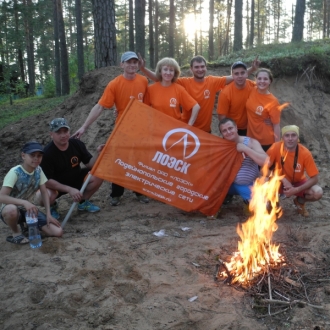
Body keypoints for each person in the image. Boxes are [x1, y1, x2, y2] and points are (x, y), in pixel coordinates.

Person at [72, 51, 149, 207]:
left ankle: (139, 192)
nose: (132, 65)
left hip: (141, 130)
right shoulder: (114, 84)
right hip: (122, 130)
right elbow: (100, 106)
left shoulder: (144, 81)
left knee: (139, 162)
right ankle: (116, 194)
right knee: (119, 162)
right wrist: (84, 126)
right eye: (129, 62)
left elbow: (148, 104)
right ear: (122, 65)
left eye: (135, 62)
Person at [140, 55, 260, 133]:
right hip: (186, 128)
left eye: (202, 66)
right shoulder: (183, 82)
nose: (200, 69)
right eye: (196, 67)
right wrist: (144, 69)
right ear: (191, 69)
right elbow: (161, 78)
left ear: (206, 68)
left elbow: (235, 76)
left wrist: (252, 69)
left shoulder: (212, 81)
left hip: (205, 131)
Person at [35, 118, 103, 219]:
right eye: (58, 132)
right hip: (56, 186)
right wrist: (69, 189)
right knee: (41, 196)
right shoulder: (47, 153)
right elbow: (46, 181)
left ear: (69, 131)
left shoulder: (76, 144)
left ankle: (83, 202)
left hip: (75, 179)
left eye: (65, 131)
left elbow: (90, 164)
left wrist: (99, 154)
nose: (63, 135)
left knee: (99, 173)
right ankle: (53, 206)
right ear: (51, 134)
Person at [0, 141, 63, 245]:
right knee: (11, 210)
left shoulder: (38, 170)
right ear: (23, 156)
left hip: (29, 210)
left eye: (39, 156)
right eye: (32, 155)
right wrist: (23, 202)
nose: (36, 158)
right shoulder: (15, 172)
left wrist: (48, 214)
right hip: (9, 209)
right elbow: (1, 196)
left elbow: (44, 192)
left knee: (58, 232)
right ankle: (16, 233)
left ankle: (28, 228)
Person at [212, 117, 268, 218]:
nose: (228, 132)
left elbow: (266, 161)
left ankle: (248, 202)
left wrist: (246, 149)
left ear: (236, 128)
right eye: (224, 131)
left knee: (264, 209)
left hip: (247, 184)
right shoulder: (220, 146)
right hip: (226, 185)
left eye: (230, 128)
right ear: (221, 133)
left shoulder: (251, 142)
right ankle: (214, 206)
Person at [267, 125, 323, 217]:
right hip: (278, 182)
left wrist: (296, 189)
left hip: (298, 182)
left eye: (293, 135)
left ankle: (299, 202)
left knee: (317, 192)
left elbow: (315, 178)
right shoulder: (275, 148)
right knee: (264, 180)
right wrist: (283, 179)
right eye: (287, 135)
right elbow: (263, 171)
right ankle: (273, 204)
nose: (290, 138)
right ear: (282, 138)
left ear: (298, 138)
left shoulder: (305, 153)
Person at [144, 57, 200, 124]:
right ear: (160, 71)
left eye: (171, 70)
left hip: (174, 130)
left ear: (174, 73)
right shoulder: (151, 89)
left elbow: (196, 107)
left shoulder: (179, 89)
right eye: (165, 69)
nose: (168, 73)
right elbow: (143, 109)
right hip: (157, 129)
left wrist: (189, 126)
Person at [246, 68, 286, 151]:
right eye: (259, 78)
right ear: (255, 80)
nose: (262, 81)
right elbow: (240, 77)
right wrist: (252, 68)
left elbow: (276, 125)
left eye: (265, 79)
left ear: (270, 81)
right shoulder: (252, 90)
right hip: (251, 139)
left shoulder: (273, 101)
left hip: (265, 142)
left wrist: (277, 146)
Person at [217, 61, 257, 136]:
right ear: (232, 75)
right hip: (233, 130)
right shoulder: (225, 93)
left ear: (247, 74)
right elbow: (222, 117)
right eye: (236, 74)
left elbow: (266, 98)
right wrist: (228, 133)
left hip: (251, 128)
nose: (240, 76)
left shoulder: (253, 86)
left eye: (242, 73)